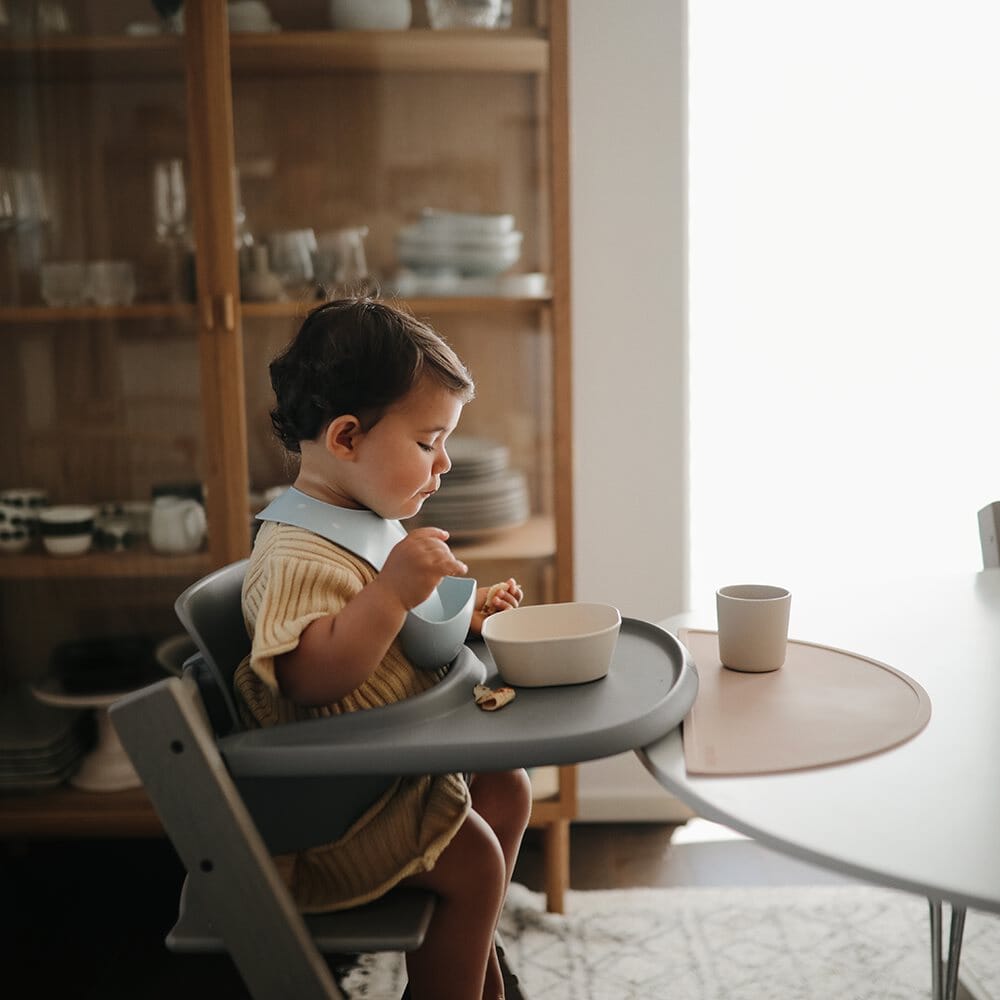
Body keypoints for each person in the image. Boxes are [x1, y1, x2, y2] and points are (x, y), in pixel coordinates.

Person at [235, 296, 532, 1000]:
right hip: (336, 813)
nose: (446, 462)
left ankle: (476, 968)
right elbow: (310, 675)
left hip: (389, 771)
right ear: (345, 439)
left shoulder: (358, 519)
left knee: (507, 788)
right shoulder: (294, 554)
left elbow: (395, 635)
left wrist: (465, 618)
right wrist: (392, 593)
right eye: (428, 441)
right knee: (478, 865)